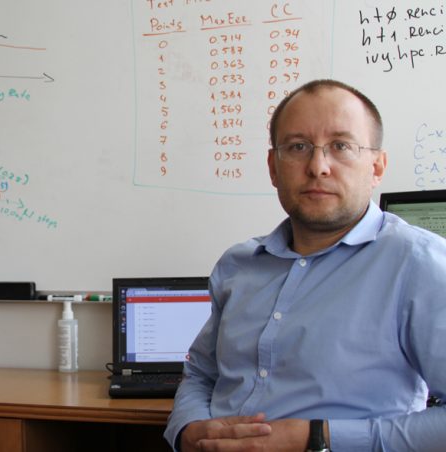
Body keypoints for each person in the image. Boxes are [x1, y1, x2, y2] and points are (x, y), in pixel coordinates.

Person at [165, 79, 446, 451]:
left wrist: (317, 438)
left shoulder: (418, 264)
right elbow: (200, 373)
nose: (318, 167)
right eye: (298, 147)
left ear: (377, 167)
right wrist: (188, 428)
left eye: (341, 146)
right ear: (273, 167)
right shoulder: (238, 265)